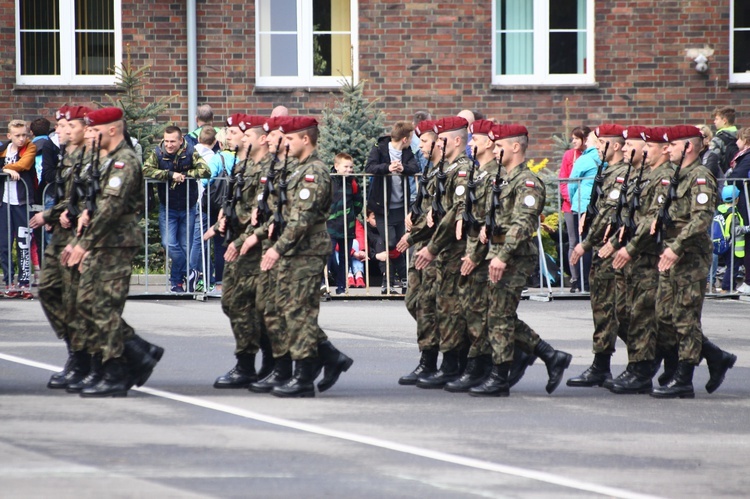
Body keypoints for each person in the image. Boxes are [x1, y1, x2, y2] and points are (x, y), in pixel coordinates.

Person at [243, 116, 353, 398]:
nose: (285, 143)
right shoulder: (296, 170)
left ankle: (304, 376)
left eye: (290, 138)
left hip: (307, 249)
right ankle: (326, 358)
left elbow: (301, 220)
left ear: (306, 139)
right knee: (286, 309)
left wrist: (276, 248)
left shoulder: (313, 172)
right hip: (293, 248)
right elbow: (283, 213)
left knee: (299, 311)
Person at [62, 106, 163, 397]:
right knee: (90, 304)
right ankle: (139, 354)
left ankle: (116, 371)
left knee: (103, 307)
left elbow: (110, 209)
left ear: (113, 129)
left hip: (116, 243)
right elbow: (97, 204)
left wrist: (83, 244)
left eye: (95, 130)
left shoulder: (125, 162)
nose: (90, 135)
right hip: (103, 240)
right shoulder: (106, 161)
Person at [469, 124, 573, 396]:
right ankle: (551, 356)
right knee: (497, 314)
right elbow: (499, 218)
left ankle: (499, 376)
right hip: (498, 252)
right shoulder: (502, 179)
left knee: (500, 316)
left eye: (500, 145)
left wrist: (502, 256)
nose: (495, 149)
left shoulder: (528, 181)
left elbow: (523, 222)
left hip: (514, 257)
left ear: (515, 147)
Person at [646, 125, 736, 398]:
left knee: (685, 318)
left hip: (690, 257)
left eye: (672, 145)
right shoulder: (676, 176)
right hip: (670, 256)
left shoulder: (700, 178)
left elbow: (700, 218)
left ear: (688, 147)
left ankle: (684, 378)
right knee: (664, 316)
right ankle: (714, 356)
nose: (667, 149)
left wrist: (676, 246)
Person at [210, 114, 275, 388]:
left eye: (243, 134)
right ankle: (265, 360)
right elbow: (238, 205)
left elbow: (266, 213)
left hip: (254, 246)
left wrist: (244, 239)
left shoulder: (269, 168)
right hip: (237, 242)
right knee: (233, 303)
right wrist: (221, 222)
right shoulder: (243, 166)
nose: (235, 137)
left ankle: (252, 363)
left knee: (248, 305)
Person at [413, 116, 473, 388]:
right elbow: (434, 212)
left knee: (452, 308)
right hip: (440, 247)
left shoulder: (462, 169)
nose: (437, 144)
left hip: (454, 249)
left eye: (441, 139)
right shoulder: (444, 169)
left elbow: (453, 214)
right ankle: (441, 361)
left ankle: (456, 363)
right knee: (434, 304)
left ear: (457, 140)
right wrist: (414, 234)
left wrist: (431, 246)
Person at [569, 124, 630, 389]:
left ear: (614, 145)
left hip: (616, 250)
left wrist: (588, 243)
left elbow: (614, 216)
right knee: (605, 309)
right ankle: (601, 366)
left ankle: (656, 361)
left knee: (623, 313)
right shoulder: (607, 173)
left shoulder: (622, 175)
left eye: (601, 143)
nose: (596, 148)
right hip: (604, 250)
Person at [395, 118, 441, 384]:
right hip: (424, 243)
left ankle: (431, 361)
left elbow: (442, 217)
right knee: (414, 301)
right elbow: (426, 206)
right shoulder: (432, 170)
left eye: (423, 141)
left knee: (428, 305)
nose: (419, 145)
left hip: (435, 247)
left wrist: (412, 236)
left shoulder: (453, 171)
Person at [143, 126, 210, 292]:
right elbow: (145, 169)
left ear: (181, 141)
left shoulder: (191, 152)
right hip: (168, 206)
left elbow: (205, 170)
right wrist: (170, 174)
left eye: (173, 141)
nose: (169, 145)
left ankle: (177, 283)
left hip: (188, 206)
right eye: (166, 141)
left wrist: (186, 175)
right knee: (169, 243)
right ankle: (190, 271)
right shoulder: (158, 153)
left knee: (185, 245)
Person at [365, 121, 420, 294]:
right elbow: (370, 167)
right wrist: (387, 168)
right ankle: (388, 279)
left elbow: (415, 167)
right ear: (405, 139)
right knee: (389, 241)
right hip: (382, 206)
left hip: (400, 206)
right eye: (411, 138)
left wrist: (403, 168)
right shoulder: (380, 147)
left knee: (398, 243)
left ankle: (401, 280)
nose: (412, 141)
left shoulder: (406, 152)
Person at [1, 119, 37, 298]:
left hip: (22, 202)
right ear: (9, 136)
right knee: (4, 244)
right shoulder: (2, 149)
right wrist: (7, 171)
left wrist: (4, 168)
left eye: (24, 135)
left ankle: (24, 283)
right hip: (5, 203)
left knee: (24, 242)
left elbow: (24, 165)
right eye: (17, 136)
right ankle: (9, 281)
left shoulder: (30, 147)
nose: (22, 139)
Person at [558, 126, 591, 292]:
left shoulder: (591, 156)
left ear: (585, 139)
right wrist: (570, 198)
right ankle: (575, 277)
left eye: (576, 138)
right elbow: (564, 179)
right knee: (573, 241)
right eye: (572, 139)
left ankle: (586, 278)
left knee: (586, 240)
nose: (573, 142)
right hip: (570, 206)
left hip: (585, 205)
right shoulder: (569, 155)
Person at [327, 152, 364, 294]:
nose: (349, 170)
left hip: (347, 227)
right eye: (345, 167)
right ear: (336, 167)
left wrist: (351, 215)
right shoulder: (330, 181)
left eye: (351, 167)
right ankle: (325, 281)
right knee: (328, 254)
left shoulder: (353, 183)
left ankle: (342, 286)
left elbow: (358, 203)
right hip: (330, 226)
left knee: (345, 257)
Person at [189, 126, 218, 291]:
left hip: (191, 201)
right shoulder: (213, 157)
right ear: (214, 142)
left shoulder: (191, 153)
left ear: (199, 139)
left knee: (197, 239)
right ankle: (195, 271)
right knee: (201, 240)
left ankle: (206, 275)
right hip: (205, 203)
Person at [726, 126, 750, 294]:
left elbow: (735, 178)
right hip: (744, 202)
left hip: (746, 204)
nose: (736, 142)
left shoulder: (747, 157)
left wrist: (730, 175)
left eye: (739, 139)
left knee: (747, 242)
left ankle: (748, 281)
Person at [714, 185, 745, 293]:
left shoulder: (721, 210)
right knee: (733, 267)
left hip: (724, 243)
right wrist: (746, 229)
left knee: (729, 265)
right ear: (737, 199)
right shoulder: (733, 213)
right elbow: (736, 230)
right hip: (734, 245)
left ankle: (728, 286)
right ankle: (727, 287)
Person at [705, 106, 738, 175]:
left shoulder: (718, 139)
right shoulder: (740, 138)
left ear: (724, 121)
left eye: (716, 119)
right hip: (738, 175)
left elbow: (712, 161)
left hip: (722, 178)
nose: (714, 122)